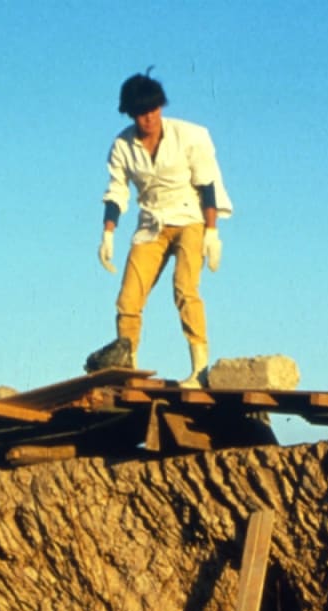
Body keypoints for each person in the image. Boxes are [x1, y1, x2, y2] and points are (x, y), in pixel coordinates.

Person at [98, 71, 231, 387]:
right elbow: (117, 191)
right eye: (143, 113)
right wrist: (108, 232)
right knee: (129, 298)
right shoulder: (122, 146)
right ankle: (127, 368)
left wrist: (212, 232)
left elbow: (207, 183)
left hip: (190, 216)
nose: (150, 118)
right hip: (152, 223)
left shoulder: (189, 135)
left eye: (155, 110)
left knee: (185, 287)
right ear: (132, 114)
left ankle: (199, 369)